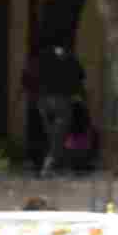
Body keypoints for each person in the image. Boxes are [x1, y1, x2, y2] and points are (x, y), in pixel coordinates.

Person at [35, 43, 84, 174]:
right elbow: (79, 76)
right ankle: (48, 166)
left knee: (52, 136)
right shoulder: (70, 58)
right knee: (58, 137)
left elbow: (33, 75)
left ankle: (56, 166)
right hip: (61, 100)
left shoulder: (43, 56)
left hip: (43, 101)